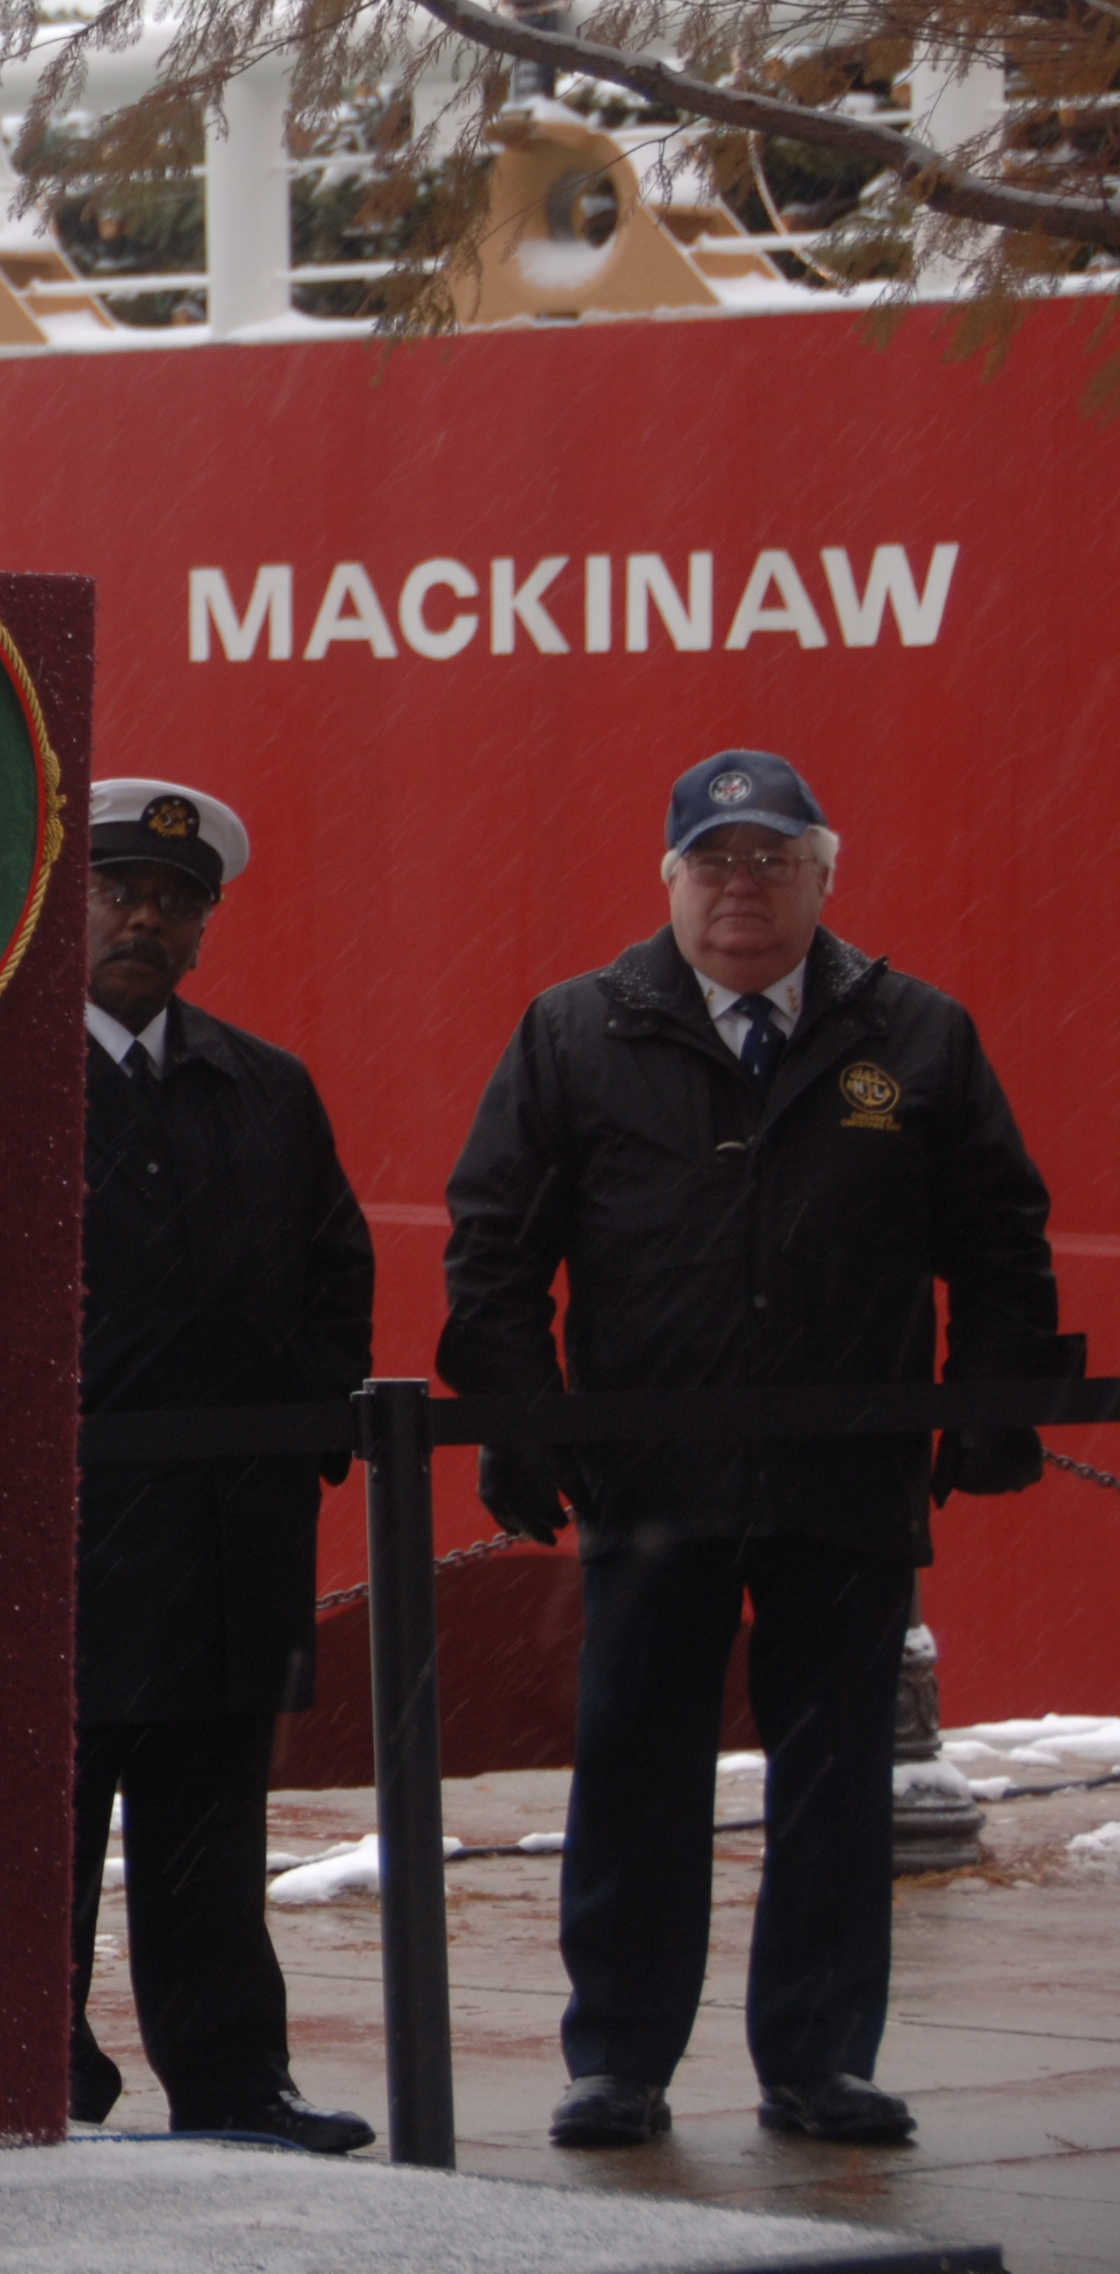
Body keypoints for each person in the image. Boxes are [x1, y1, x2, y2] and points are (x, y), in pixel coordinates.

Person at [442, 749, 1064, 2153]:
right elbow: (495, 1250)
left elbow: (1000, 1240)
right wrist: (522, 1429)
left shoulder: (915, 1035)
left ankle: (821, 2062)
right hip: (651, 1481)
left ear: (822, 878)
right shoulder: (577, 1033)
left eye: (775, 860)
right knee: (636, 1772)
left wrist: (994, 1408)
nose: (744, 885)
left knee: (837, 1785)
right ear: (670, 879)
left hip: (846, 1479)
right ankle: (618, 2062)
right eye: (716, 861)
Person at [63, 782, 376, 2154]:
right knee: (44, 1835)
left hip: (225, 1541)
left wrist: (300, 1443)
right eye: (118, 891)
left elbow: (334, 1278)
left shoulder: (266, 1089)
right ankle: (32, 2071)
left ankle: (236, 2084)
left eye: (174, 902)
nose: (145, 919)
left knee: (210, 1836)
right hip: (64, 1539)